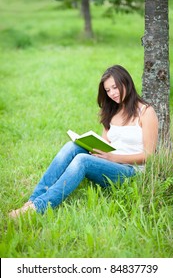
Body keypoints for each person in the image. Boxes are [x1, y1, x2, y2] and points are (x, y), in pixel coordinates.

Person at [9, 64, 158, 218]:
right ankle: (32, 201)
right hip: (109, 164)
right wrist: (93, 148)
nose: (112, 93)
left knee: (82, 160)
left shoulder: (146, 112)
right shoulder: (112, 111)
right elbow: (106, 144)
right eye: (108, 90)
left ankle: (38, 207)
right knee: (72, 146)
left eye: (115, 87)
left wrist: (113, 158)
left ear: (126, 82)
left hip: (131, 172)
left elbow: (149, 155)